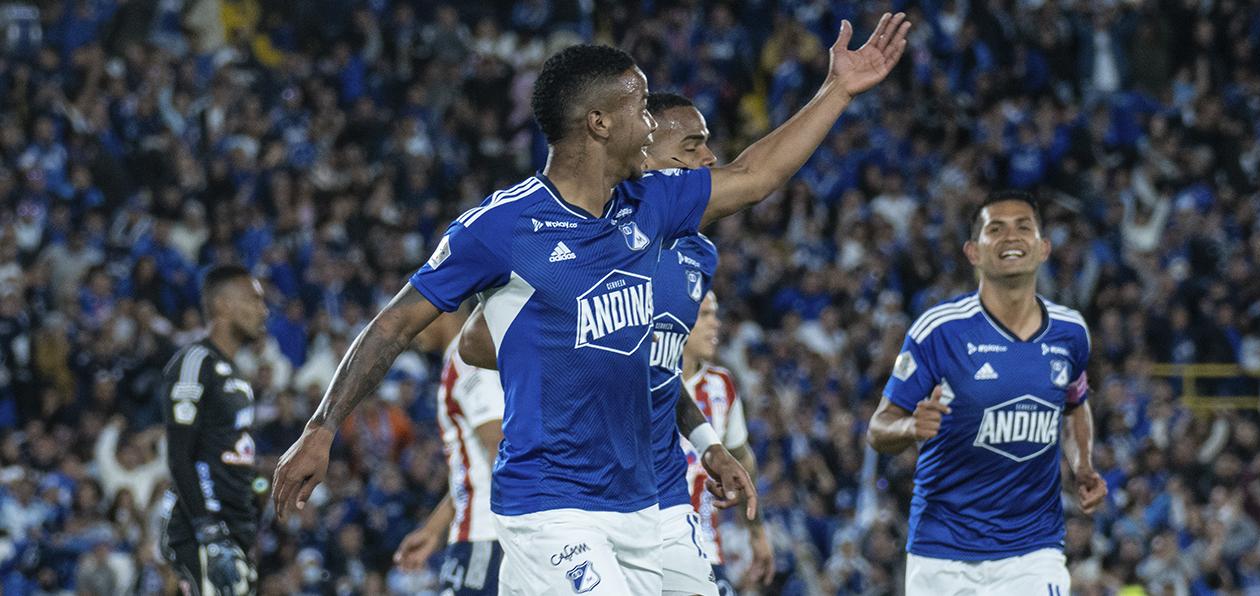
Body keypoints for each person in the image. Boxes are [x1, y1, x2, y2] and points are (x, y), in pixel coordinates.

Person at [275, 15, 910, 595]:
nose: (652, 125)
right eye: (640, 106)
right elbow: (394, 325)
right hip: (550, 506)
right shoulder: (501, 227)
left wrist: (838, 92)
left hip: (643, 505)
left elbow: (755, 175)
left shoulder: (652, 205)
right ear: (599, 123)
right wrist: (322, 425)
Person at [455, 92, 770, 595]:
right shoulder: (599, 236)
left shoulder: (698, 257)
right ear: (647, 154)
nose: (708, 161)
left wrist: (709, 444)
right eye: (692, 148)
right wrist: (570, 360)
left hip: (657, 488)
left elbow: (653, 370)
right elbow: (474, 343)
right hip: (571, 490)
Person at [865, 190, 1109, 595]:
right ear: (973, 252)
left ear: (1043, 248)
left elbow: (1075, 405)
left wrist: (1083, 464)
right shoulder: (938, 330)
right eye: (995, 229)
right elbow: (878, 428)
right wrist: (910, 427)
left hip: (1033, 550)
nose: (1010, 237)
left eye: (1023, 228)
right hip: (943, 551)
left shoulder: (1071, 332)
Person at [158, 264, 266, 596]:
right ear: (223, 305)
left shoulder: (235, 373)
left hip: (235, 529)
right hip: (204, 531)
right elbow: (179, 455)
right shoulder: (195, 362)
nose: (263, 310)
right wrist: (209, 530)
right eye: (253, 300)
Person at [392, 304, 506, 595]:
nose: (412, 326)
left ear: (444, 307)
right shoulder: (463, 358)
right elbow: (475, 470)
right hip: (481, 532)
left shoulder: (467, 360)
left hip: (486, 534)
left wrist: (521, 528)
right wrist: (433, 529)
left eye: (416, 311)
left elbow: (499, 446)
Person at [680, 292, 772, 595]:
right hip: (646, 542)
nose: (715, 324)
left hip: (706, 550)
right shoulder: (641, 380)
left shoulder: (722, 385)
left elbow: (741, 459)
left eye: (715, 315)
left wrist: (756, 531)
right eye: (705, 315)